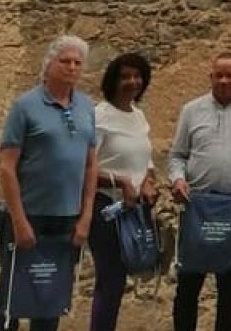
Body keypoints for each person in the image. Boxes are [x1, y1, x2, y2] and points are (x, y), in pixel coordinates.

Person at [0, 35, 99, 331]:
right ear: (49, 64)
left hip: (66, 219)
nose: (72, 68)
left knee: (51, 299)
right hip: (29, 216)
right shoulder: (25, 106)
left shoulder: (87, 107)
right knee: (11, 301)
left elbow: (91, 165)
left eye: (78, 63)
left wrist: (86, 216)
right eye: (65, 61)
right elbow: (6, 166)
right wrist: (19, 221)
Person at [168, 52, 231, 331]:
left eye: (230, 75)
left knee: (230, 286)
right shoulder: (191, 110)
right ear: (210, 77)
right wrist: (177, 180)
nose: (224, 80)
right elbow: (177, 156)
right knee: (188, 283)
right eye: (218, 75)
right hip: (198, 206)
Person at [89, 52, 157, 331]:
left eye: (137, 76)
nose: (132, 82)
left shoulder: (139, 116)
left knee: (121, 277)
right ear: (113, 80)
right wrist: (123, 182)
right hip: (105, 208)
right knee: (111, 278)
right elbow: (87, 167)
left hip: (134, 210)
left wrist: (149, 182)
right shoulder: (100, 115)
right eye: (125, 76)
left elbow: (145, 160)